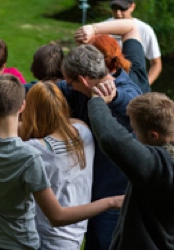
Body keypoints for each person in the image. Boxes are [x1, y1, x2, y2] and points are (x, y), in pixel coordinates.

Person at [0, 46, 124, 250]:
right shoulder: (74, 135)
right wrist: (111, 202)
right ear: (21, 107)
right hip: (22, 242)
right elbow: (57, 215)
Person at [61, 19, 144, 250]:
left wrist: (114, 97)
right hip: (91, 195)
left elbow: (132, 103)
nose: (68, 86)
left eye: (71, 82)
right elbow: (51, 89)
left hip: (114, 202)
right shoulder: (79, 89)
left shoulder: (127, 93)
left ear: (84, 80)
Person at [88, 84, 174, 249]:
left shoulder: (159, 166)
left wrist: (96, 101)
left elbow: (111, 138)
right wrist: (116, 97)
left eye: (134, 130)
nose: (133, 136)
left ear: (153, 136)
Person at [20, 80, 95, 249]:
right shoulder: (84, 133)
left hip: (47, 237)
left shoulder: (34, 149)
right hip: (76, 232)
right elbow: (72, 122)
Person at [109, 0, 162, 85]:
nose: (118, 13)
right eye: (114, 9)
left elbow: (156, 64)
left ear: (132, 7)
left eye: (122, 9)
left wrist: (144, 86)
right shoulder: (103, 28)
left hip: (135, 84)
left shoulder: (145, 30)